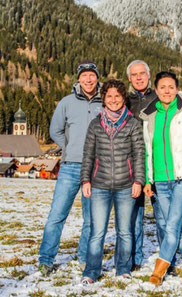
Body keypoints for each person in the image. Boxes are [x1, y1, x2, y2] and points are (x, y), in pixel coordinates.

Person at [38, 61, 103, 276]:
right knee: (57, 215)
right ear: (78, 79)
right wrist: (71, 149)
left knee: (91, 218)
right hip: (70, 167)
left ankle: (84, 258)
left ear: (97, 78)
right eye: (84, 76)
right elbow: (55, 131)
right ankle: (46, 259)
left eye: (91, 75)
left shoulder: (105, 102)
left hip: (95, 169)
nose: (88, 79)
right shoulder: (66, 102)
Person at [140, 71, 182, 286]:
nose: (167, 91)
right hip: (160, 181)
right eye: (162, 87)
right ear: (156, 90)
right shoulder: (149, 116)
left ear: (177, 89)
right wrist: (148, 180)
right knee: (173, 224)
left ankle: (158, 271)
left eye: (171, 87)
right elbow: (148, 150)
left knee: (172, 224)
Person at [80, 79, 145, 284]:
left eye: (117, 96)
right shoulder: (96, 124)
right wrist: (85, 180)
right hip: (99, 185)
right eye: (109, 96)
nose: (114, 100)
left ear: (123, 98)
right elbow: (88, 155)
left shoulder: (132, 123)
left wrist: (138, 181)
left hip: (126, 186)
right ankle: (91, 271)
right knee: (96, 231)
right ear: (104, 98)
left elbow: (139, 155)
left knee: (125, 231)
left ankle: (123, 269)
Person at [126, 60, 176, 274]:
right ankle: (135, 260)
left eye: (142, 73)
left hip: (156, 165)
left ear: (148, 75)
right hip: (131, 165)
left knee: (163, 217)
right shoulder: (124, 100)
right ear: (129, 78)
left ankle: (168, 261)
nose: (138, 78)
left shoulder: (159, 97)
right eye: (134, 75)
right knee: (133, 217)